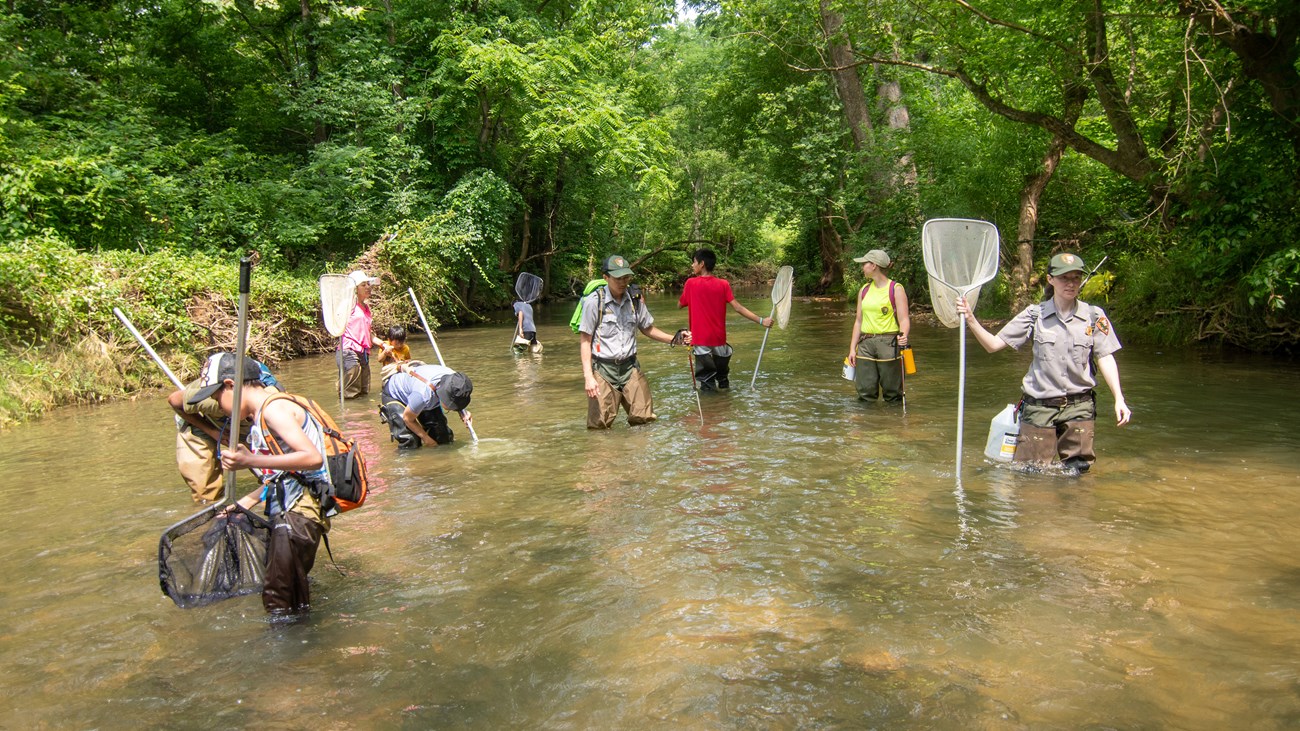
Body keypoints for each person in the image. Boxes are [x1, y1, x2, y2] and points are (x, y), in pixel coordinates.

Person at [956, 252, 1132, 472]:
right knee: (1032, 475)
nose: (1071, 283)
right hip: (1039, 406)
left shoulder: (1094, 316)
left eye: (1076, 277)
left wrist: (1119, 399)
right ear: (1050, 279)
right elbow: (993, 345)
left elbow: (1105, 356)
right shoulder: (1034, 315)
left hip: (1080, 407)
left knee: (1079, 475)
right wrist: (971, 319)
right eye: (1064, 278)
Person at [190, 353, 330, 615]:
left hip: (298, 515)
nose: (217, 406)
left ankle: (294, 653)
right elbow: (283, 475)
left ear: (231, 385)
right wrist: (246, 502)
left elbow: (312, 458)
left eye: (216, 397)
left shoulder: (273, 409)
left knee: (279, 602)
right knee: (289, 596)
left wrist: (248, 459)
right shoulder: (262, 414)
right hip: (296, 513)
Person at [578, 254, 690, 429]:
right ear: (605, 277)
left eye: (626, 277)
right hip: (603, 370)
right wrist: (588, 377)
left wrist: (676, 340)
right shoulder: (594, 302)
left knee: (644, 420)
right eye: (618, 278)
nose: (623, 282)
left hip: (630, 368)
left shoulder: (635, 301)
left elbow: (648, 329)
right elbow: (585, 340)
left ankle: (637, 455)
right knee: (598, 426)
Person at [167, 353, 281, 505]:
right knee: (204, 491)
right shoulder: (213, 401)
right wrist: (212, 432)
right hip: (201, 419)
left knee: (274, 478)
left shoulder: (275, 408)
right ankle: (208, 511)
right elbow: (175, 401)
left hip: (247, 418)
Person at [677, 248, 773, 390]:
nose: (692, 265)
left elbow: (680, 305)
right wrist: (761, 321)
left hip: (701, 340)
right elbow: (738, 308)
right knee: (722, 379)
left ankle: (712, 409)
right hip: (719, 340)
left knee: (706, 382)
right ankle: (725, 407)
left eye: (694, 262)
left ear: (702, 264)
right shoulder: (723, 284)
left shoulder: (690, 283)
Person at [847, 249, 911, 403]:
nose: (862, 267)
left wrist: (904, 336)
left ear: (874, 265)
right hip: (865, 344)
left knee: (892, 392)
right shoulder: (864, 290)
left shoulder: (896, 289)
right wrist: (851, 349)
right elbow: (858, 321)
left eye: (864, 264)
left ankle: (893, 424)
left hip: (888, 343)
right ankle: (866, 423)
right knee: (865, 391)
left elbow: (904, 319)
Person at [378, 360, 474, 448]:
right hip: (395, 394)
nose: (451, 408)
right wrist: (426, 439)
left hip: (422, 393)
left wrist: (462, 412)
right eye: (451, 405)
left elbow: (456, 394)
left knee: (443, 436)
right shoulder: (423, 394)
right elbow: (407, 419)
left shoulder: (456, 378)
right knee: (411, 441)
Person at [338, 270, 392, 398]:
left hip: (363, 351)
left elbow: (368, 334)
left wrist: (383, 344)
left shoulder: (366, 308)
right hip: (349, 350)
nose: (368, 287)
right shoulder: (349, 305)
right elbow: (336, 323)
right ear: (355, 288)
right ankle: (350, 416)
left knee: (364, 391)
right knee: (350, 392)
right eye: (363, 285)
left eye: (368, 284)